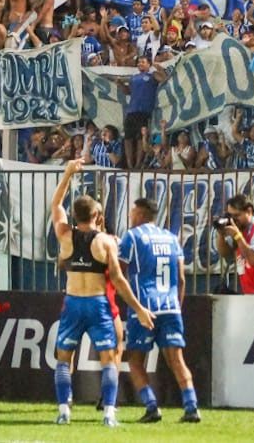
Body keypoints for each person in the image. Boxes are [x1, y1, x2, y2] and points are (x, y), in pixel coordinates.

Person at [48, 159, 154, 427]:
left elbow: (56, 205)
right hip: (98, 304)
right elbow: (118, 279)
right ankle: (108, 412)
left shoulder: (64, 235)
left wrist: (68, 174)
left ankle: (63, 410)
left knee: (63, 357)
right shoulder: (106, 242)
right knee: (109, 358)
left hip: (73, 302)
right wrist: (139, 309)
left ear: (76, 216)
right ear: (97, 216)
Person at [119, 198, 201, 423]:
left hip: (144, 308)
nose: (130, 216)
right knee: (177, 359)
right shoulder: (172, 238)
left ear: (142, 214)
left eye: (133, 212)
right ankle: (191, 406)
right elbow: (182, 279)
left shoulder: (132, 237)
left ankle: (151, 405)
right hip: (171, 307)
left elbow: (119, 273)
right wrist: (177, 307)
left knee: (135, 360)